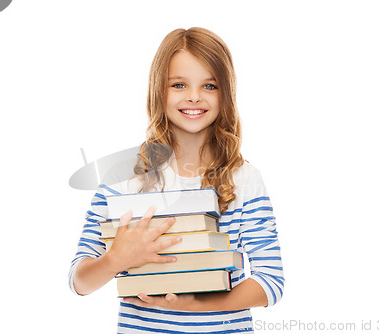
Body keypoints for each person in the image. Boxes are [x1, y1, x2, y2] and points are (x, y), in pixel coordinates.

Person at [69, 27, 284, 333]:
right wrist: (116, 258)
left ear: (226, 92)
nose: (194, 96)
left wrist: (196, 304)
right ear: (159, 90)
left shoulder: (243, 178)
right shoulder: (121, 177)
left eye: (209, 86)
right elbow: (79, 281)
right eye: (179, 84)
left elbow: (271, 281)